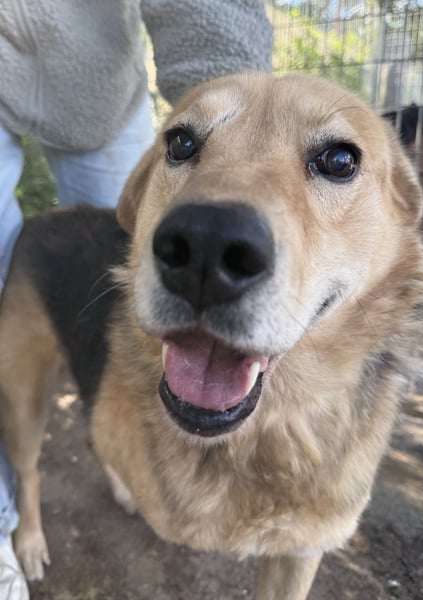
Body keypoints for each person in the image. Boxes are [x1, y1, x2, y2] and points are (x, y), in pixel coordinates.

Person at [0, 1, 273, 596]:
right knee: (20, 400)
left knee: (129, 285)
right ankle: (13, 515)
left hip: (99, 86)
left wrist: (238, 119)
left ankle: (111, 448)